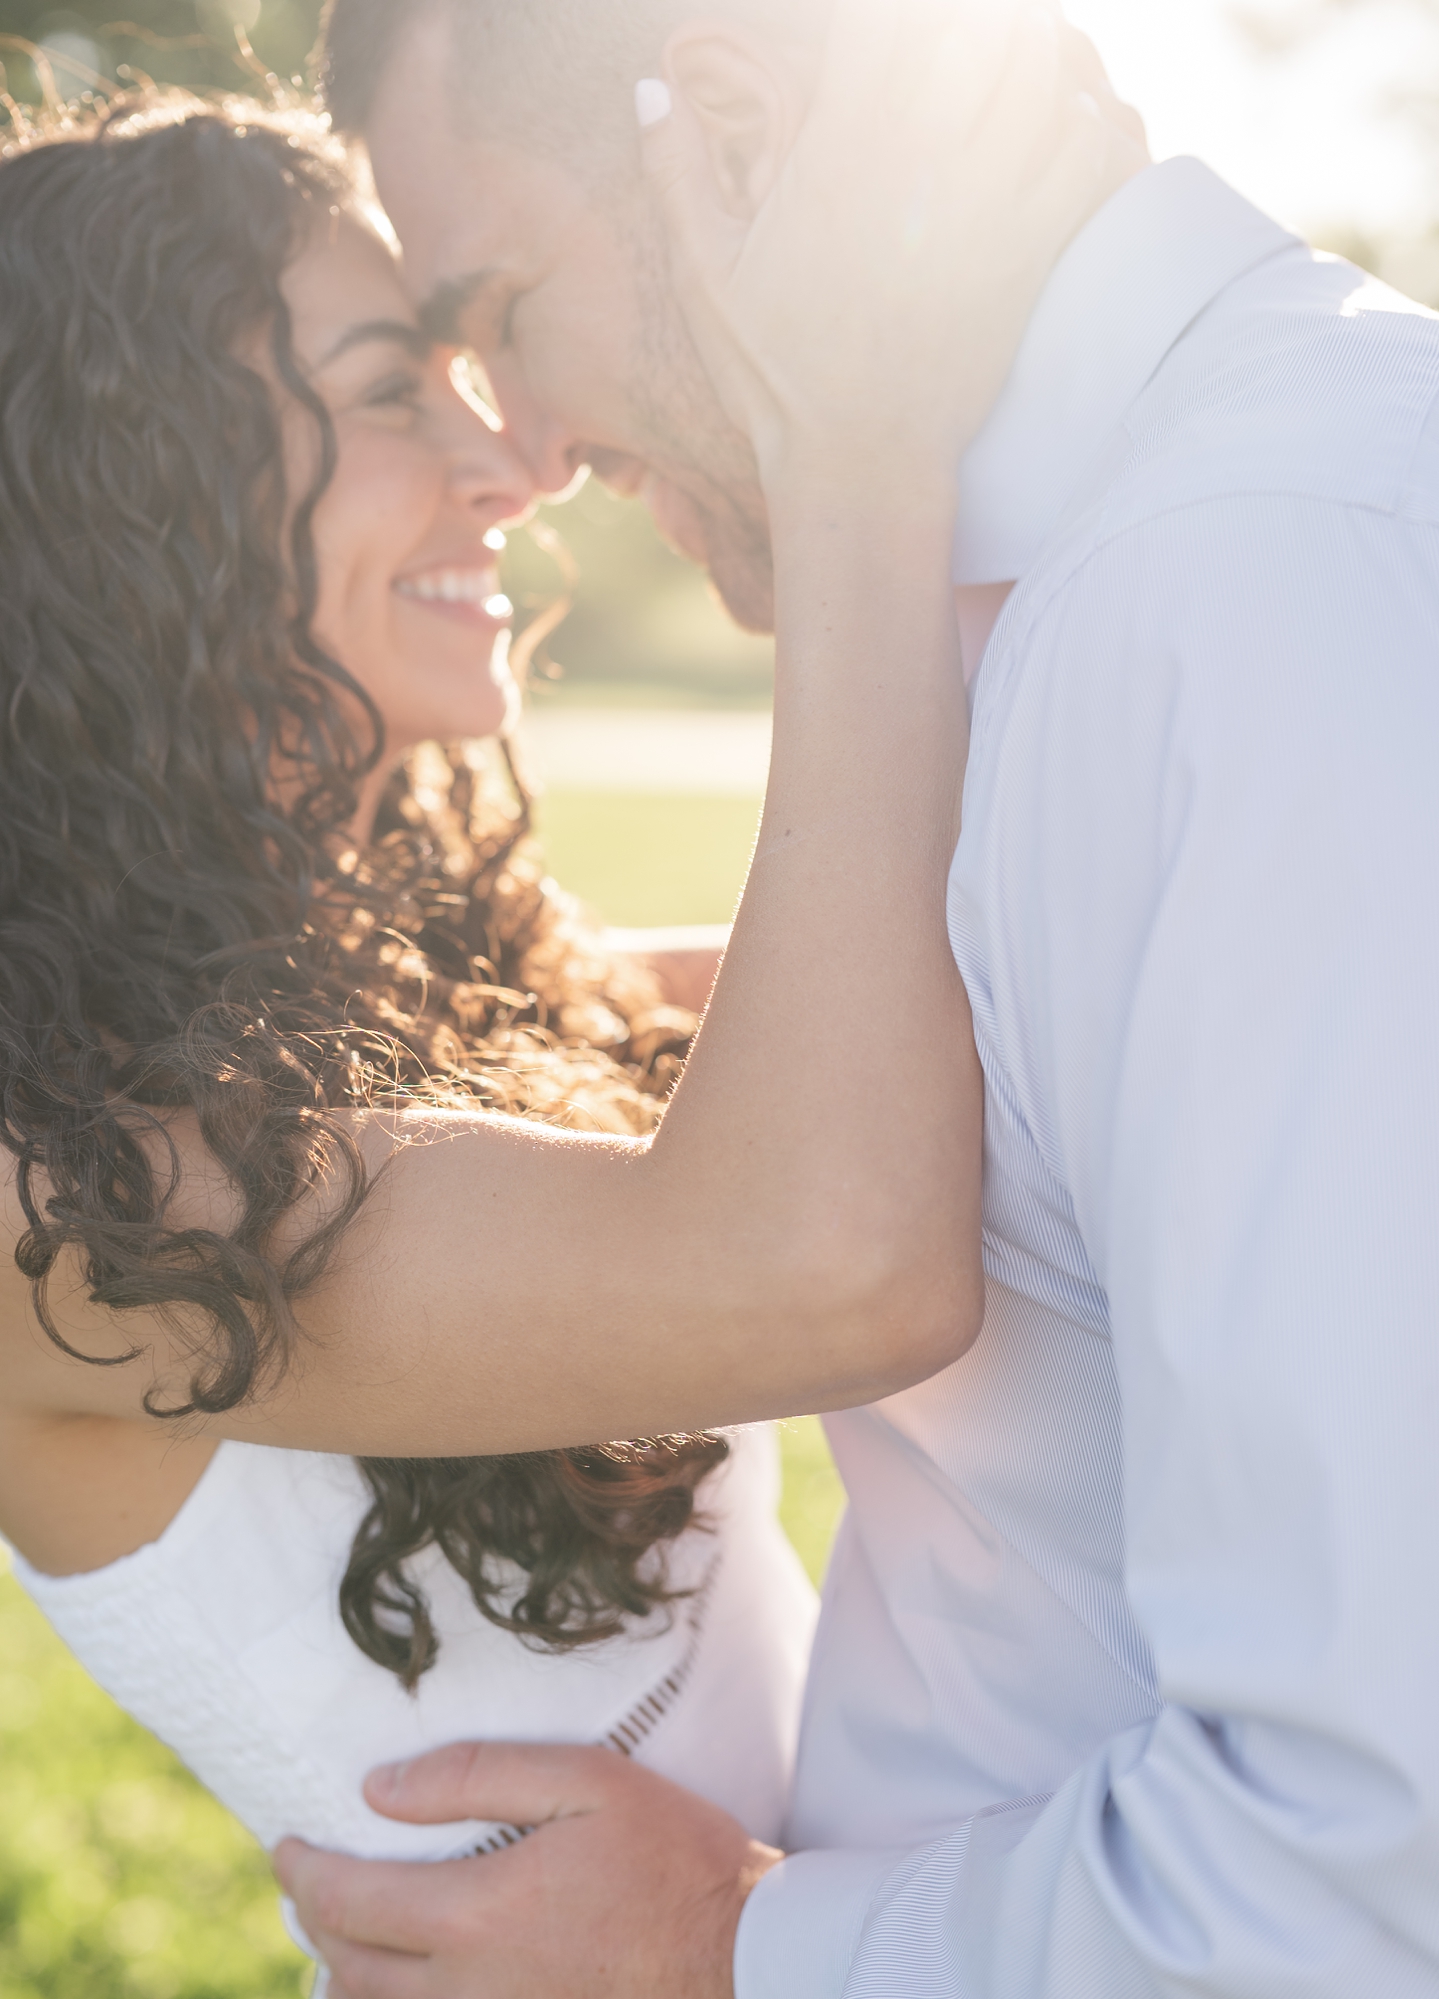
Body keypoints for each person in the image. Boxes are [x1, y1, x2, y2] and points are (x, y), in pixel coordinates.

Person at [274, 0, 1439, 1994]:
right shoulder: (1074, 584)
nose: (535, 448)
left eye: (501, 309)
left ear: (734, 123)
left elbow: (1408, 1871)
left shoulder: (1278, 601)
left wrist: (737, 1943)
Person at [0, 5, 1121, 1990]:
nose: (514, 462)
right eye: (386, 392)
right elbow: (830, 1254)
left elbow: (928, 999)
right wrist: (855, 453)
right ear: (131, 500)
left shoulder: (385, 975)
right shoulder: (51, 1185)